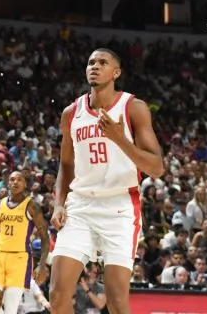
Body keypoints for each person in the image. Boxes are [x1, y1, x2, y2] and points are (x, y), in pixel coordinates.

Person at [48, 48, 164, 314]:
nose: (95, 66)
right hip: (80, 205)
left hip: (119, 206)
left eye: (103, 62)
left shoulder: (133, 108)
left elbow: (157, 168)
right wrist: (58, 204)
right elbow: (66, 165)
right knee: (57, 294)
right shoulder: (71, 113)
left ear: (116, 72)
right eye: (90, 62)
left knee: (117, 301)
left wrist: (118, 137)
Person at [0, 171, 50, 314]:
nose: (15, 182)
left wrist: (41, 265)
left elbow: (45, 238)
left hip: (19, 259)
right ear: (7, 182)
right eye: (12, 179)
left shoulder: (32, 206)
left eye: (19, 180)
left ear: (25, 184)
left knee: (11, 309)